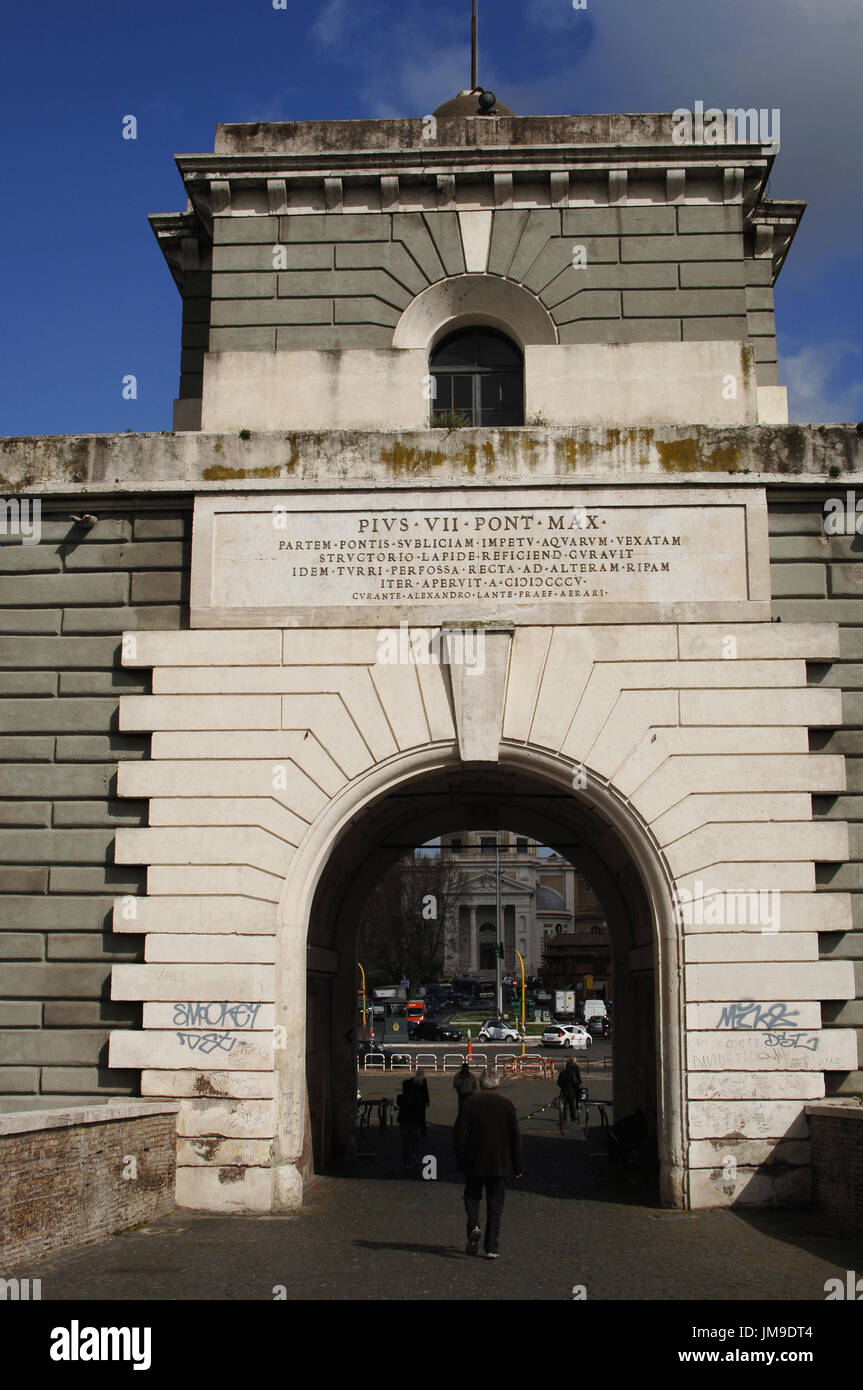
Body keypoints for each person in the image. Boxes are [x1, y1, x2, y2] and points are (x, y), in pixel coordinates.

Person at [454, 1070, 522, 1260]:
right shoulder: (506, 1105)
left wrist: (461, 1157)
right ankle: (492, 1247)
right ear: (498, 1084)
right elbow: (515, 1137)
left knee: (472, 1196)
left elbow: (460, 1133)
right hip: (499, 1162)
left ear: (480, 1084)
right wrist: (518, 1166)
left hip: (475, 1160)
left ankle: (474, 1225)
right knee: (495, 1204)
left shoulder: (469, 1104)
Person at [398, 1075, 425, 1169]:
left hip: (405, 1123)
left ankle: (407, 1162)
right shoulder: (418, 1098)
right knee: (416, 1144)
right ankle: (416, 1159)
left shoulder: (401, 1098)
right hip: (415, 1123)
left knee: (405, 1145)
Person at [557, 1057, 582, 1123]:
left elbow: (558, 1082)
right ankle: (573, 1118)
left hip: (563, 1091)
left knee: (564, 1106)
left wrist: (562, 1087)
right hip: (571, 1091)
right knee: (572, 1105)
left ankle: (564, 1118)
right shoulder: (572, 1074)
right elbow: (575, 1082)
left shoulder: (562, 1073)